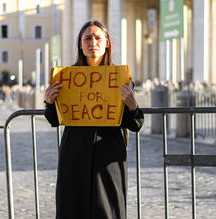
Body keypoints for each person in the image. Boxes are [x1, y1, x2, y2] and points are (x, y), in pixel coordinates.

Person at [44, 20, 144, 219]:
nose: (93, 43)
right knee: (73, 208)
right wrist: (49, 102)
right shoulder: (65, 77)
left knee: (107, 209)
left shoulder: (121, 77)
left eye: (98, 38)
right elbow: (54, 120)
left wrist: (132, 105)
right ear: (80, 44)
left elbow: (135, 124)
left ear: (107, 43)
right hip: (75, 154)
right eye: (87, 38)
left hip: (108, 155)